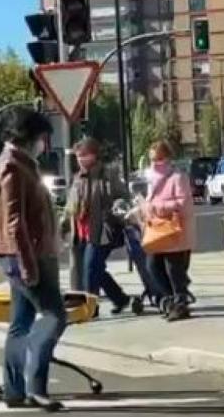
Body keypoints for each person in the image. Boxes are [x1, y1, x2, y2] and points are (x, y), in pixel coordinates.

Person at [0, 106, 64, 412]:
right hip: (27, 253)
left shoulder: (17, 163)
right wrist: (29, 264)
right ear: (29, 135)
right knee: (53, 315)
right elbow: (15, 221)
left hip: (19, 252)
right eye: (43, 137)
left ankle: (14, 390)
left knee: (20, 321)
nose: (45, 144)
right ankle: (35, 386)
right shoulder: (13, 167)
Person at [64, 137, 140, 315]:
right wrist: (64, 225)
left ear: (94, 155)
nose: (80, 160)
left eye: (84, 156)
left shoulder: (107, 174)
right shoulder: (77, 178)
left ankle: (91, 307)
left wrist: (114, 208)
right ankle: (120, 298)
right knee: (96, 269)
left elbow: (122, 197)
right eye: (78, 156)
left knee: (91, 267)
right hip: (82, 230)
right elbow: (70, 205)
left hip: (102, 230)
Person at [143, 140, 196, 322]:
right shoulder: (152, 180)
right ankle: (170, 300)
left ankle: (180, 303)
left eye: (158, 159)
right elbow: (151, 202)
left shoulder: (178, 177)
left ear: (167, 158)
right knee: (152, 266)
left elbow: (184, 205)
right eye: (152, 159)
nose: (155, 163)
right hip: (158, 231)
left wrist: (159, 207)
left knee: (174, 270)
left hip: (175, 232)